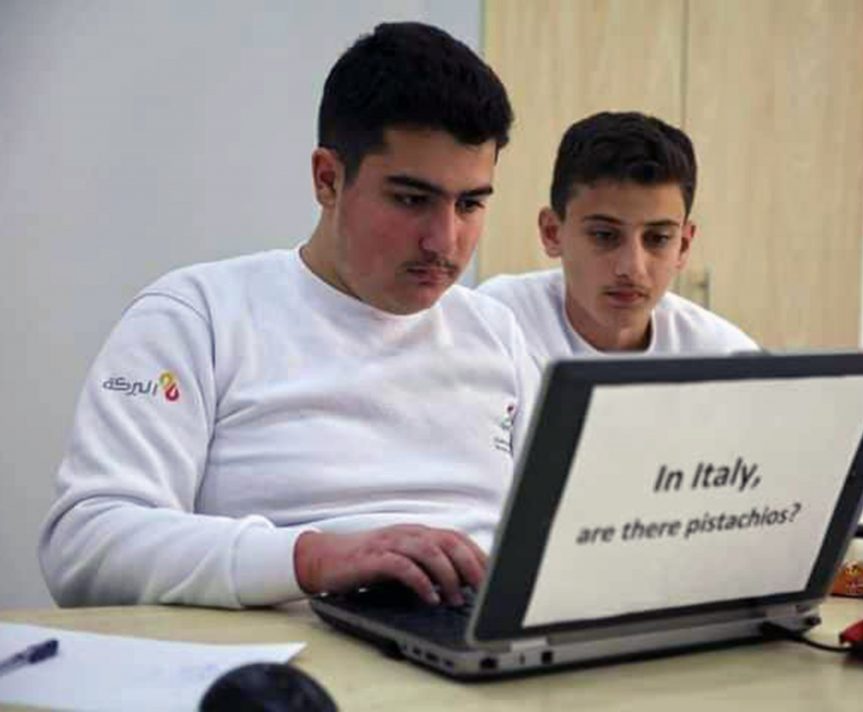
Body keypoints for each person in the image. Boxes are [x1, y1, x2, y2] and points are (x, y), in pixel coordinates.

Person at [38, 22, 537, 610]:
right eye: (411, 199)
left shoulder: (495, 331)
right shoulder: (197, 317)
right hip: (294, 647)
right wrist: (309, 558)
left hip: (476, 646)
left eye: (470, 203)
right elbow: (85, 545)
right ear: (328, 179)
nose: (444, 241)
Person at [478, 111, 756, 368]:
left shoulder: (726, 358)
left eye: (658, 238)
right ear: (552, 232)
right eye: (604, 236)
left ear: (683, 246)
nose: (632, 268)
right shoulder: (496, 321)